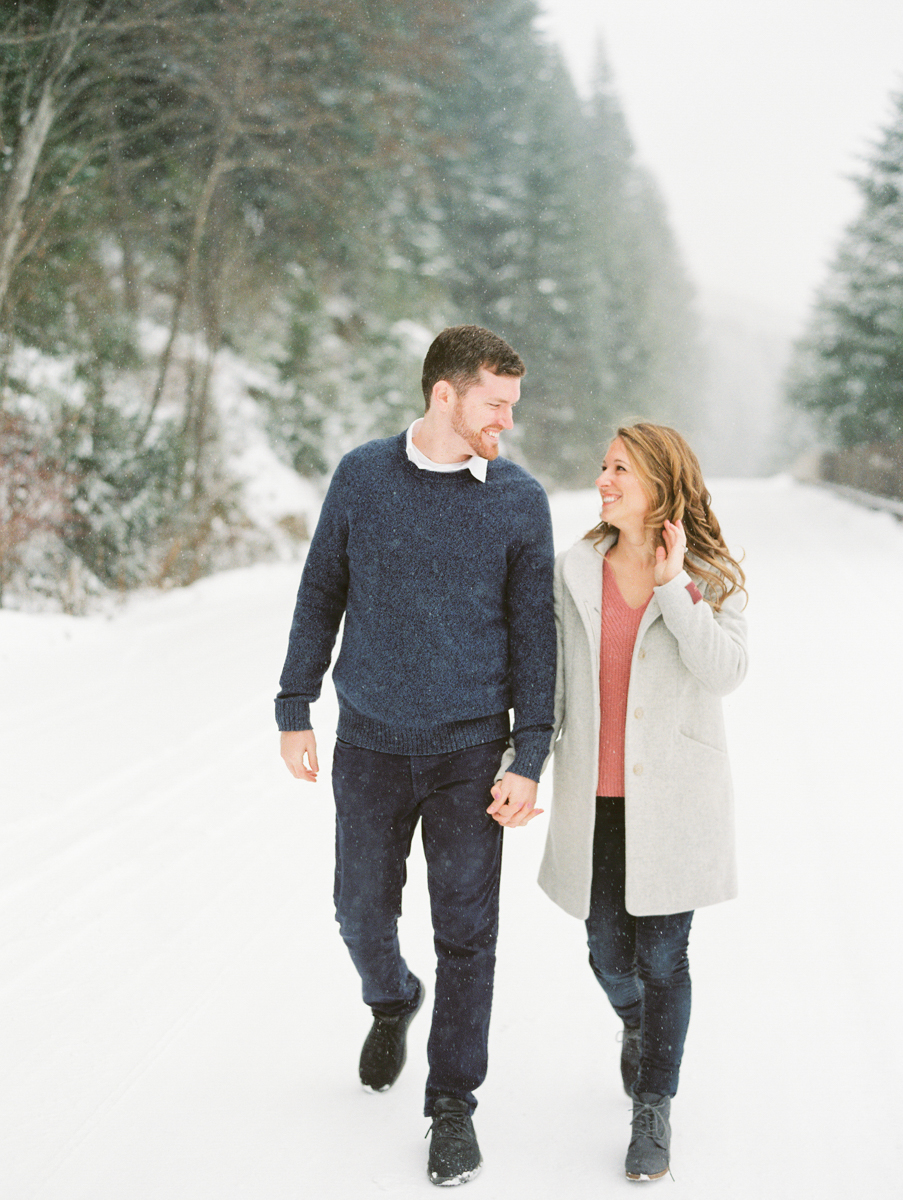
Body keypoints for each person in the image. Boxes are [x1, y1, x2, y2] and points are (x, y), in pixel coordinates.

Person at [276, 325, 556, 1188]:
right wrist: (294, 704)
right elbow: (321, 588)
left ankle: (451, 1107)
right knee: (357, 911)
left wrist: (528, 754)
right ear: (445, 394)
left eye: (512, 405)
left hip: (472, 752)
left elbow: (533, 637)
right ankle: (392, 996)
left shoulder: (517, 498)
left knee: (467, 936)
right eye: (494, 404)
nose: (506, 421)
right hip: (368, 742)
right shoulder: (362, 477)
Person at [530, 422, 747, 1181]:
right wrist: (516, 763)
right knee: (604, 950)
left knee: (663, 956)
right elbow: (549, 681)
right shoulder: (573, 569)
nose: (603, 479)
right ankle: (639, 1024)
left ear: (660, 481)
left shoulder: (711, 573)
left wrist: (674, 585)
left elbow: (724, 673)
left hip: (676, 802)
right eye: (602, 466)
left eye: (619, 468)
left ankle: (652, 1105)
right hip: (595, 798)